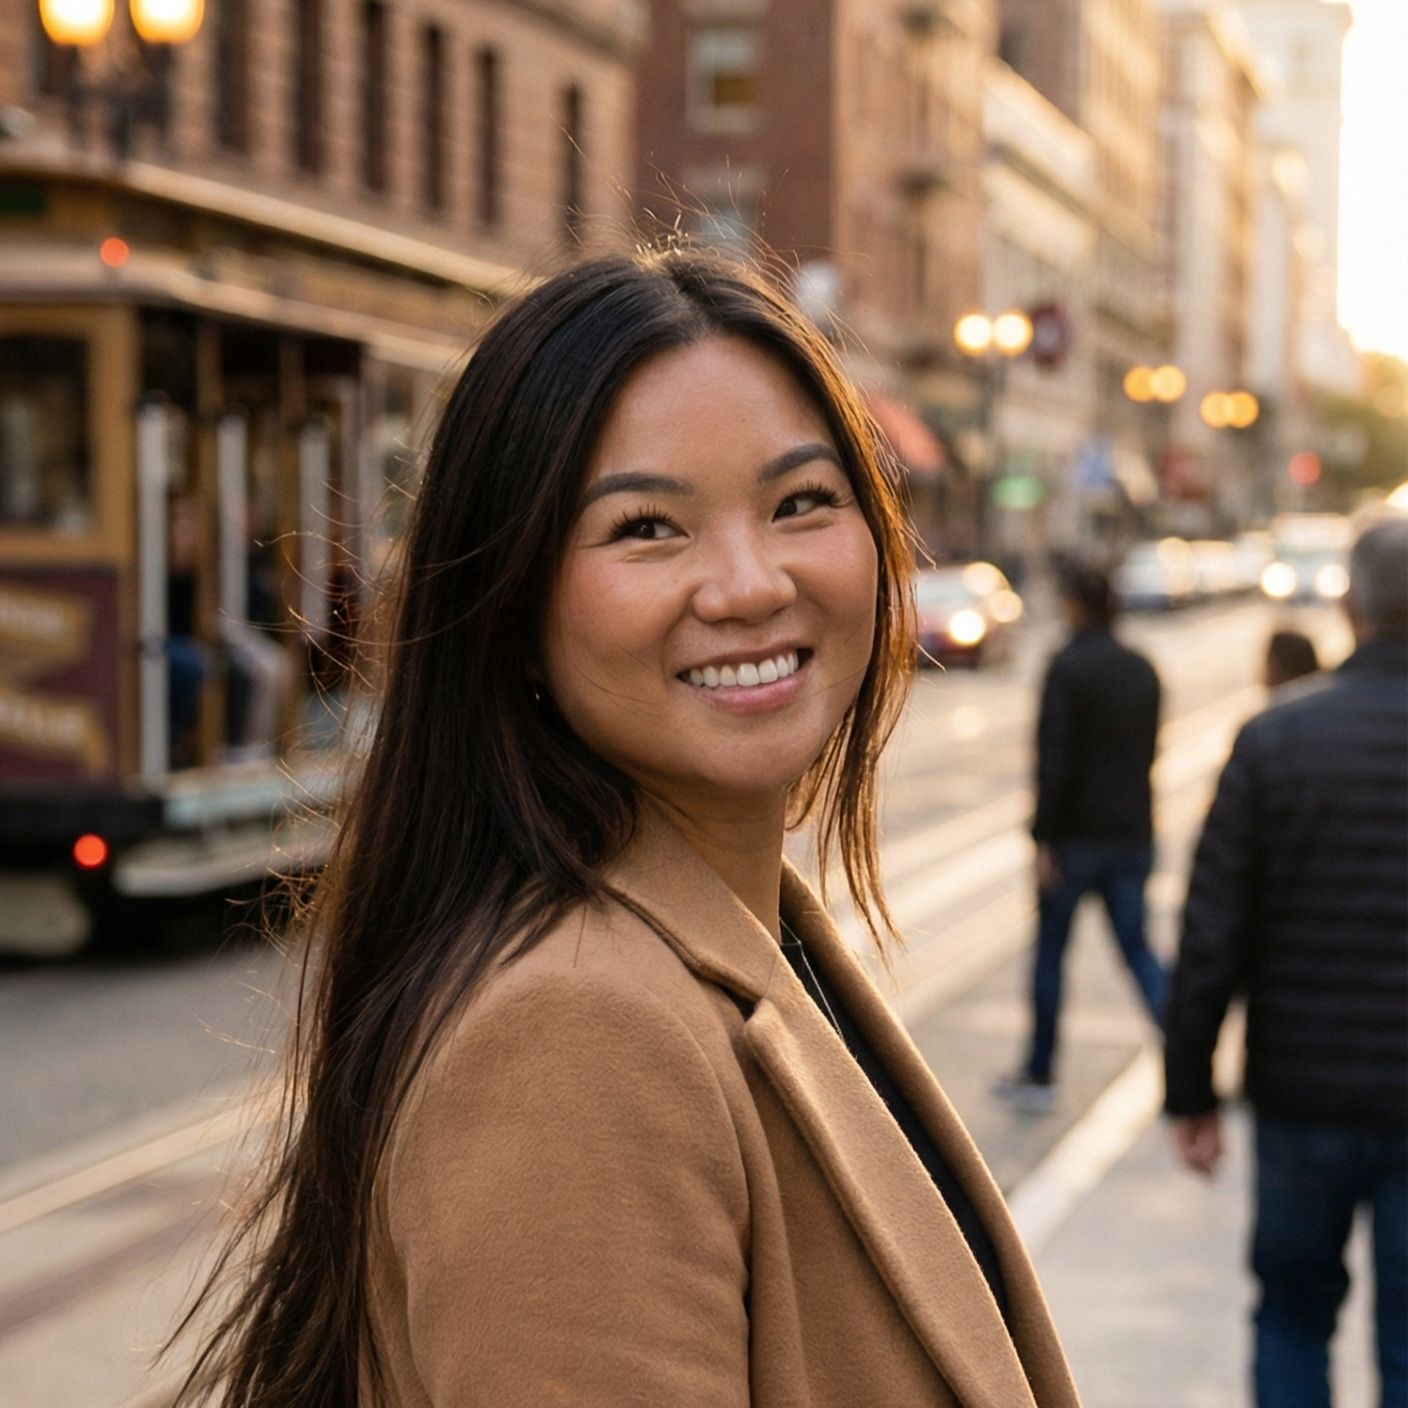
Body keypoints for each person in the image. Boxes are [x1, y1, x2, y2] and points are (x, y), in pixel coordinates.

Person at [178, 253, 1081, 1408]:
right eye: (648, 526)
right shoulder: (577, 1035)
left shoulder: (736, 942)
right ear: (511, 602)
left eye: (802, 502)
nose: (750, 583)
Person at [1164, 514, 1408, 1408]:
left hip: (1302, 1094)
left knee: (1292, 1317)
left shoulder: (1274, 741)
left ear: (1351, 605)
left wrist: (1189, 1087)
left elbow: (1212, 932)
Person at [995, 564, 1167, 1113]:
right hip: (1130, 835)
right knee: (1138, 951)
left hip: (1073, 842)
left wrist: (1043, 839)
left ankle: (1040, 1073)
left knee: (1050, 956)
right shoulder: (1142, 670)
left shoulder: (1066, 669)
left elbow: (1055, 762)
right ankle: (1188, 1052)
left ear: (1074, 604)